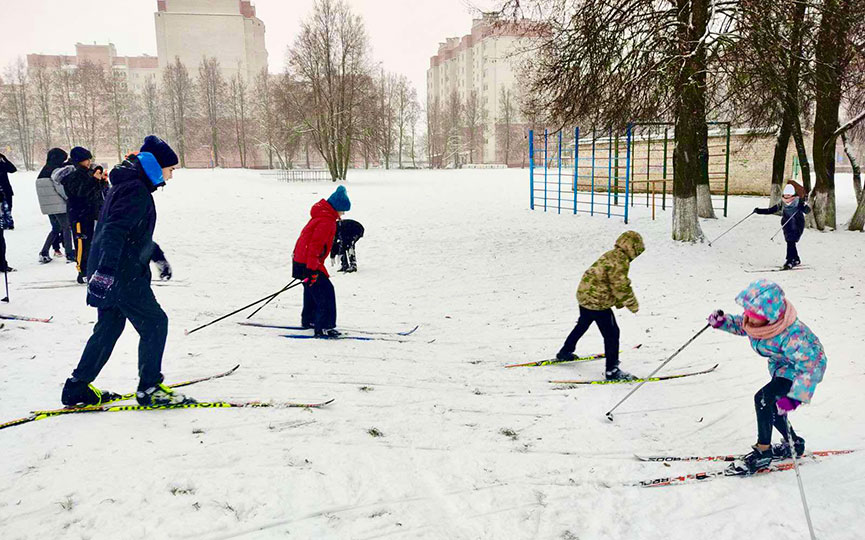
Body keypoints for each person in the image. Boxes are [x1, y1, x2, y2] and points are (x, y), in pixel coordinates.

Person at [61, 136, 183, 407]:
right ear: (156, 165)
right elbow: (114, 231)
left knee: (109, 327)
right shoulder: (135, 190)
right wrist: (105, 272)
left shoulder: (130, 185)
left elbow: (131, 233)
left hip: (113, 268)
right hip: (121, 273)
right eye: (171, 169)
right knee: (154, 323)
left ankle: (77, 387)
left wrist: (157, 256)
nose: (172, 176)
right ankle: (150, 388)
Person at [708, 279, 826, 474]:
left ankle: (763, 452)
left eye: (754, 317)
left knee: (763, 399)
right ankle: (794, 444)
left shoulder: (793, 336)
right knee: (773, 405)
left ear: (770, 317)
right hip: (782, 366)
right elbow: (743, 325)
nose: (749, 320)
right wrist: (723, 322)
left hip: (801, 370)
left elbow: (811, 367)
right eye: (748, 314)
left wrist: (796, 397)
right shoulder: (759, 321)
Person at [556, 231, 645, 380]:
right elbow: (620, 285)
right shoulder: (620, 260)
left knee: (583, 324)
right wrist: (632, 304)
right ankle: (612, 370)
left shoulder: (612, 254)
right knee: (612, 334)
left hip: (584, 295)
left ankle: (565, 351)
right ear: (632, 248)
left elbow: (608, 281)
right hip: (597, 302)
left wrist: (617, 301)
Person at [292, 185, 351, 338]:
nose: (342, 214)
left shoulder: (322, 216)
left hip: (301, 260)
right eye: (342, 211)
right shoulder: (326, 221)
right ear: (337, 207)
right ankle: (324, 326)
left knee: (313, 290)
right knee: (326, 292)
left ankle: (310, 320)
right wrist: (312, 270)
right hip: (308, 262)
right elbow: (315, 246)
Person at [56, 147, 102, 283]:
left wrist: (100, 181)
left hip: (89, 212)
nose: (89, 162)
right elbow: (80, 192)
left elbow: (92, 192)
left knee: (91, 242)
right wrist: (93, 180)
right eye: (86, 160)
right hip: (78, 214)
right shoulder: (72, 176)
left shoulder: (87, 173)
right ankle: (82, 270)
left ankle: (91, 268)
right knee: (82, 243)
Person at [754, 181, 810, 270]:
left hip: (797, 224)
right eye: (785, 195)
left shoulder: (798, 201)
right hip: (787, 224)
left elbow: (807, 211)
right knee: (790, 241)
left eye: (789, 195)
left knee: (791, 241)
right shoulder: (782, 203)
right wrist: (759, 211)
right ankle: (796, 258)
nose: (787, 197)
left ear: (793, 195)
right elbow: (772, 210)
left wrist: (804, 207)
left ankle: (790, 260)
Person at [35, 148, 76, 264]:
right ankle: (69, 253)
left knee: (56, 228)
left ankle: (44, 252)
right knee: (66, 227)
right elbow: (60, 188)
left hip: (48, 206)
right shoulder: (55, 171)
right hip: (59, 205)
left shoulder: (43, 171)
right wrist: (68, 198)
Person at [0, 152, 16, 272]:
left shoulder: (2, 161)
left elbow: (12, 169)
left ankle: (2, 263)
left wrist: (4, 158)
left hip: (5, 196)